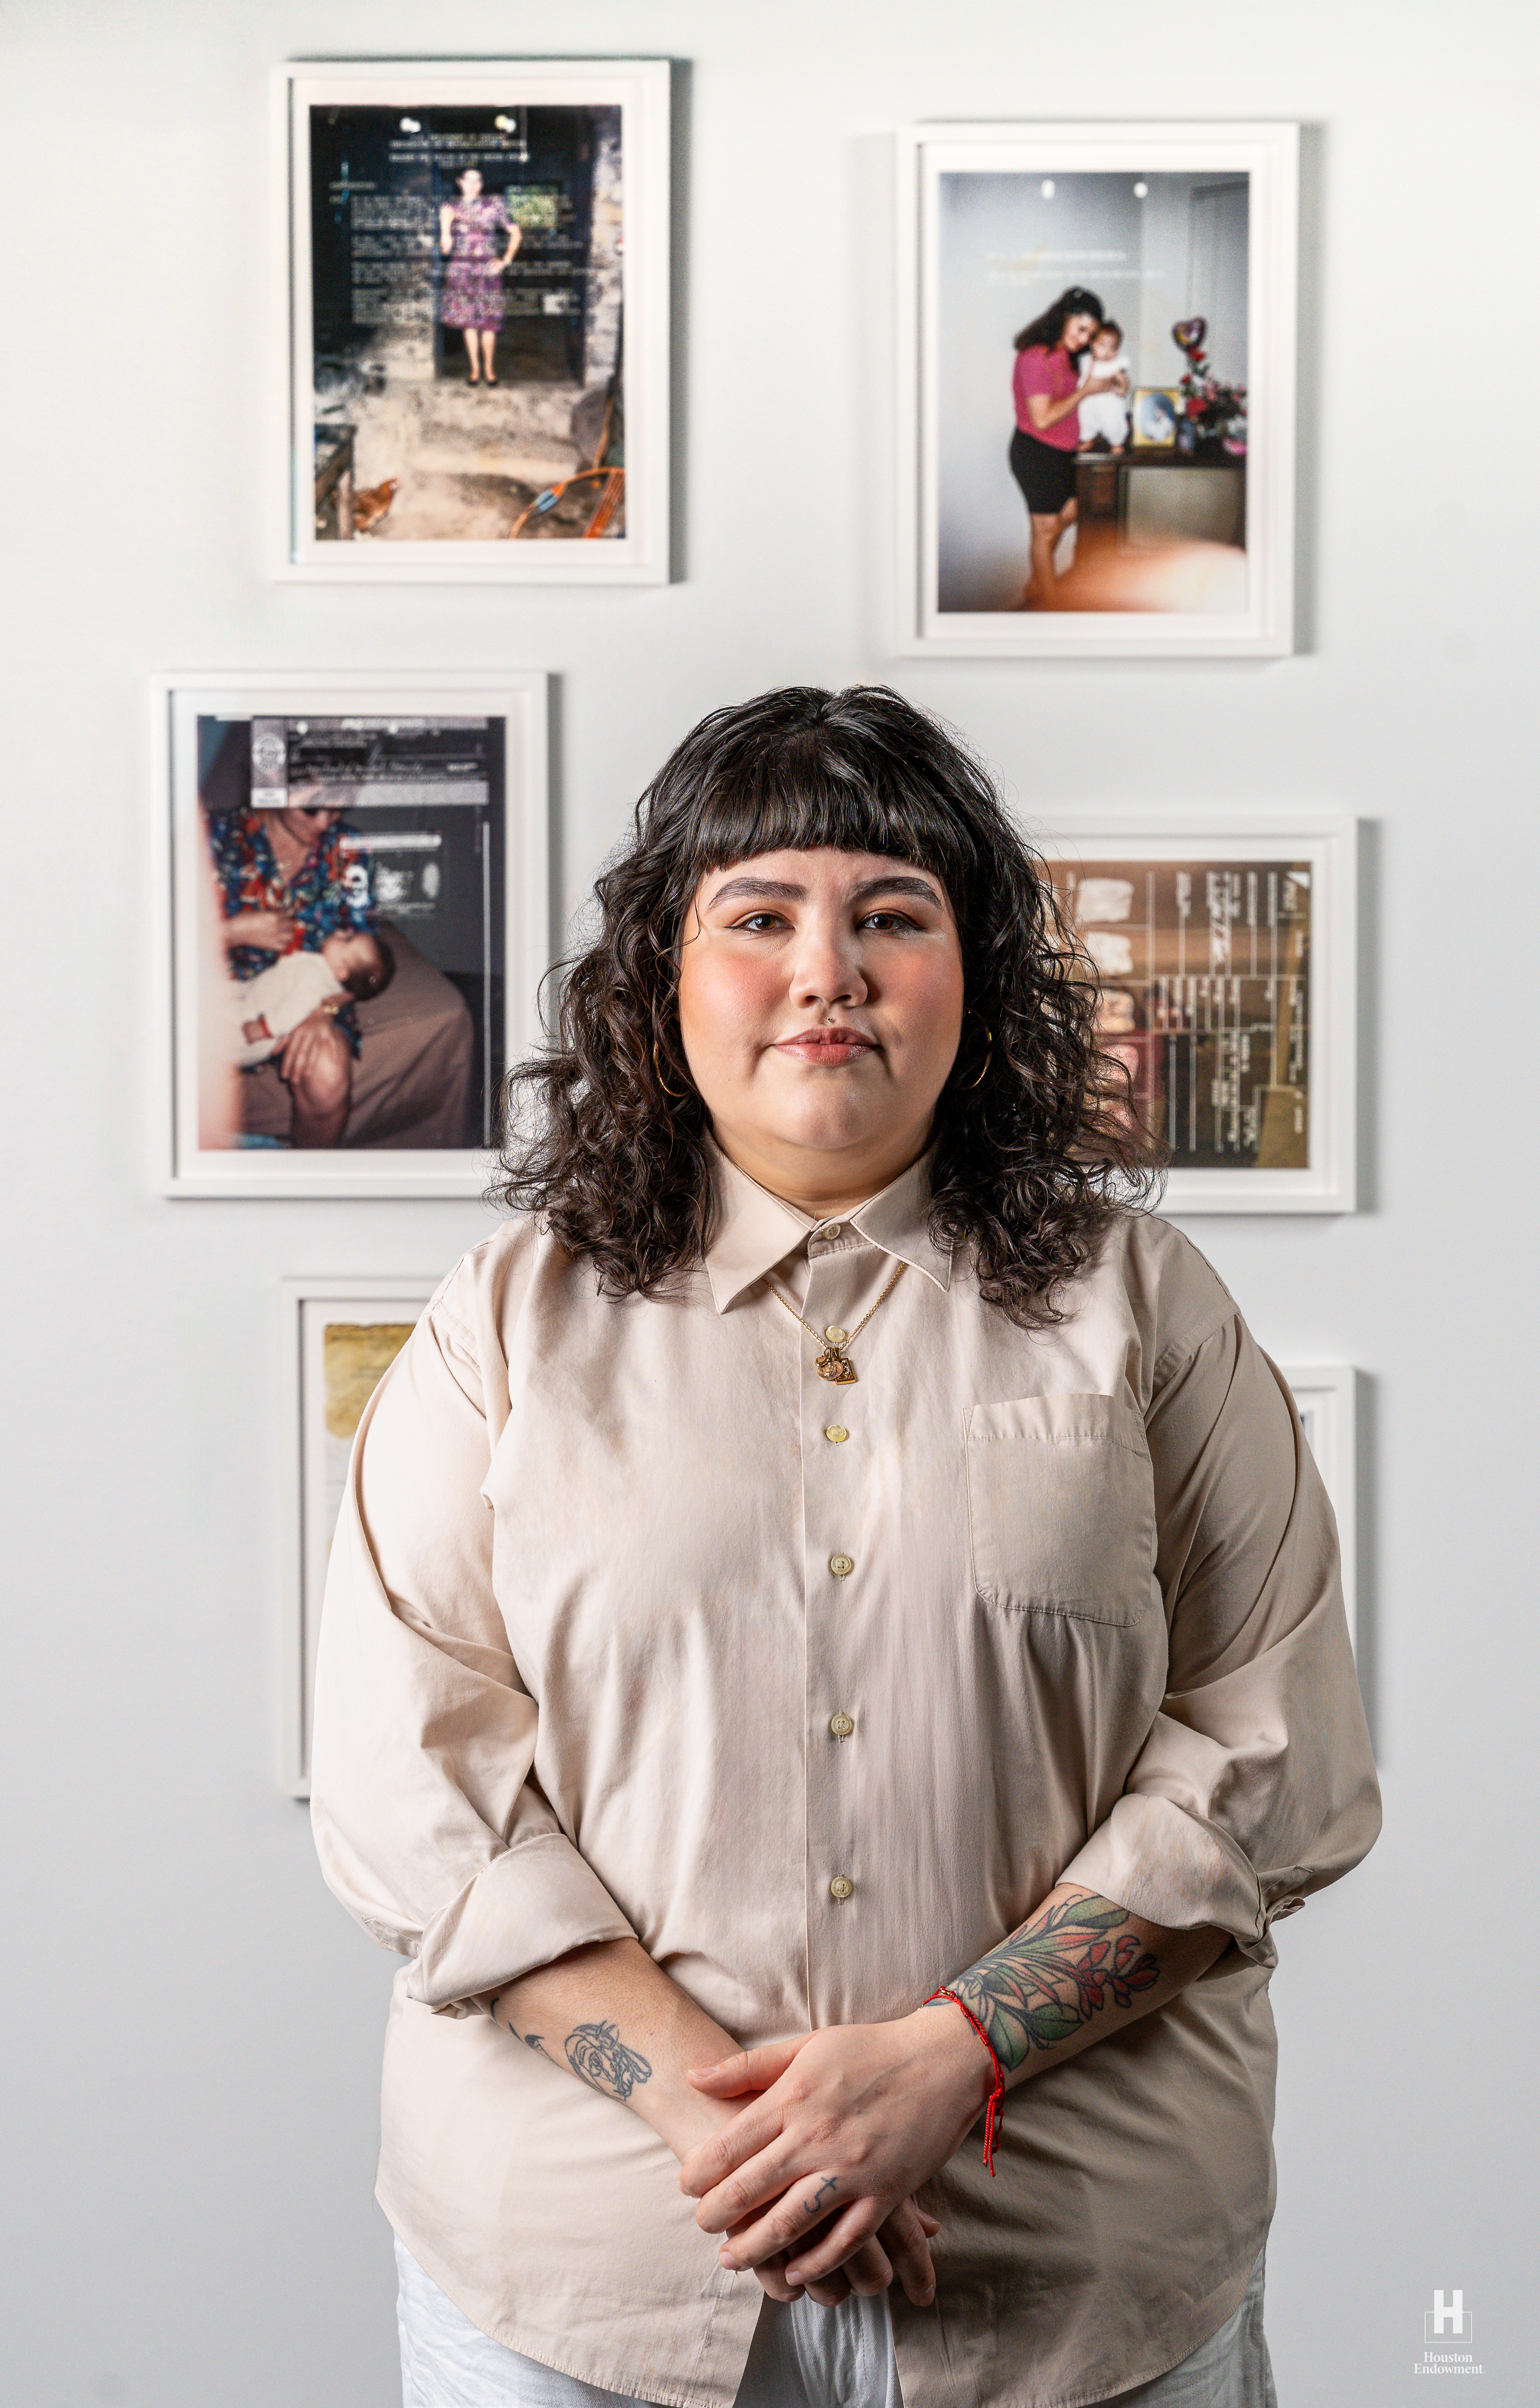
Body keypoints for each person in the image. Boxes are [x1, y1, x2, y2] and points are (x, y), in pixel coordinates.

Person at [310, 685, 1380, 2408]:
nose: (828, 972)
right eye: (758, 917)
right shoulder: (501, 1321)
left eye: (892, 915)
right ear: (661, 976)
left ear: (979, 976)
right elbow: (407, 1788)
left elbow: (1273, 1754)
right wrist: (720, 2115)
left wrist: (952, 2056)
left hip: (1073, 2266)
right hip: (584, 2275)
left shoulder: (1148, 1307)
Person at [208, 784, 380, 1148]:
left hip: (313, 993)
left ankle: (310, 1179)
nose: (324, 823)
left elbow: (366, 964)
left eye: (338, 809)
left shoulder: (349, 850)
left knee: (328, 1074)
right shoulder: (215, 836)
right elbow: (153, 941)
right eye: (312, 809)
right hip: (220, 988)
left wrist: (322, 1009)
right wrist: (230, 933)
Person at [1010, 286, 1128, 606]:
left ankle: (1037, 580)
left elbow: (1091, 386)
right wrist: (1085, 392)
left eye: (1090, 334)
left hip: (1066, 451)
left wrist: (1114, 385)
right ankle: (1051, 605)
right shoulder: (1035, 357)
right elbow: (1043, 419)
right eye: (1081, 328)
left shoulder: (1071, 356)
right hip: (1036, 451)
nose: (1084, 339)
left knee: (1073, 512)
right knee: (1046, 528)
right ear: (1064, 318)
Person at [233, 927, 394, 1067]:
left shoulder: (319, 982)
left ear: (342, 971)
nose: (340, 932)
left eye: (346, 940)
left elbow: (296, 1009)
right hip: (249, 997)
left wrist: (266, 1028)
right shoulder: (323, 968)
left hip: (252, 1026)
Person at [440, 165, 521, 387]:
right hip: (462, 271)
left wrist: (505, 261)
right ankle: (475, 369)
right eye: (469, 180)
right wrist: (445, 227)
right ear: (460, 182)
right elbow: (446, 250)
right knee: (469, 323)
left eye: (478, 180)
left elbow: (516, 233)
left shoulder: (494, 205)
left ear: (482, 184)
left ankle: (489, 369)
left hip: (488, 270)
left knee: (489, 323)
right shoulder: (451, 207)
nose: (473, 185)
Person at [1077, 321, 1133, 453]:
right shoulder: (1086, 361)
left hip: (1110, 404)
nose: (1108, 352)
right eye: (1103, 346)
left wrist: (1122, 388)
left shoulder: (1116, 365)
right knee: (1085, 419)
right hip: (1089, 402)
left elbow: (1124, 383)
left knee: (1114, 423)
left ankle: (1117, 442)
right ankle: (1087, 439)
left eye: (1113, 348)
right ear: (1093, 344)